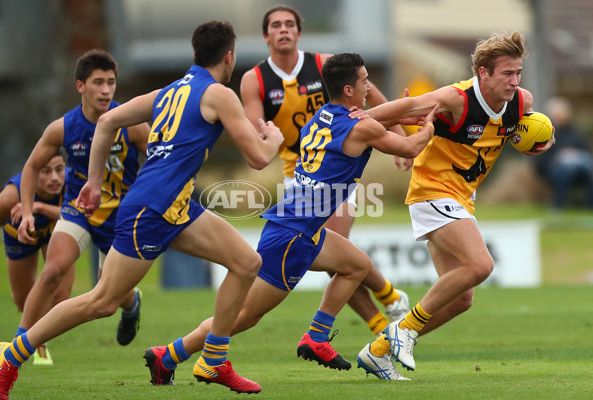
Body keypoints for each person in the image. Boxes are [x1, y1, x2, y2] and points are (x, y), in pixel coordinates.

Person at [0, 20, 283, 399]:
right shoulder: (219, 93)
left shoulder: (170, 91)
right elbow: (259, 158)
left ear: (195, 53)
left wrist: (93, 182)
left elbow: (109, 120)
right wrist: (273, 138)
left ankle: (213, 360)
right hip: (150, 211)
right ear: (229, 57)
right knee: (101, 302)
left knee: (247, 263)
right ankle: (10, 360)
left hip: (175, 207)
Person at [143, 53, 439, 387]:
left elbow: (368, 126)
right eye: (364, 81)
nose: (368, 88)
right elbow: (411, 148)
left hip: (302, 228)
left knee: (356, 264)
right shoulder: (361, 125)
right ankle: (168, 355)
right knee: (243, 316)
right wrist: (428, 125)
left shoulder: (320, 117)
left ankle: (317, 337)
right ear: (349, 89)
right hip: (293, 236)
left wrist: (401, 117)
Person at [356, 31, 555, 378]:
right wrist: (353, 121)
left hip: (462, 197)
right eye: (507, 73)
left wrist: (543, 141)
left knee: (461, 299)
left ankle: (378, 351)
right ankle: (403, 330)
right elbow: (402, 109)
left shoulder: (521, 102)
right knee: (480, 265)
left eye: (518, 72)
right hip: (432, 191)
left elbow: (532, 131)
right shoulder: (456, 98)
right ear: (483, 72)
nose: (514, 81)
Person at [240, 4, 411, 338]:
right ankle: (385, 312)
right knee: (340, 261)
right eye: (276, 25)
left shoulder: (325, 65)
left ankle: (385, 307)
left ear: (299, 32)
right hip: (299, 175)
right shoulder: (254, 79)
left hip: (335, 172)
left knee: (342, 256)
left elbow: (371, 97)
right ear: (266, 35)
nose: (284, 30)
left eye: (290, 24)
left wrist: (399, 133)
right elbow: (254, 131)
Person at [10, 48, 150, 368]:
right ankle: (18, 346)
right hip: (80, 211)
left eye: (111, 82)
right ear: (80, 86)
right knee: (53, 271)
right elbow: (31, 167)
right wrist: (29, 211)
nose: (105, 90)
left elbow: (159, 157)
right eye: (98, 82)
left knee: (109, 296)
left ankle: (132, 306)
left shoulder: (131, 125)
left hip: (121, 218)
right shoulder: (63, 128)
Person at [0, 152, 70, 365]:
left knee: (62, 297)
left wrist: (40, 207)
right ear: (32, 173)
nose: (55, 177)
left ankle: (36, 343)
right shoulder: (11, 196)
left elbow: (87, 215)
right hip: (19, 236)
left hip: (57, 229)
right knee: (24, 301)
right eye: (46, 171)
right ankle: (32, 341)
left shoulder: (73, 183)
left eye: (59, 169)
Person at [533, 96, 593, 210]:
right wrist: (559, 157)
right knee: (565, 170)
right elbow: (540, 159)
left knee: (587, 166)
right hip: (553, 168)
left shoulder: (575, 132)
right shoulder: (544, 133)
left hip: (579, 167)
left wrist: (574, 154)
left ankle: (590, 204)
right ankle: (557, 205)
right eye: (558, 114)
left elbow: (585, 151)